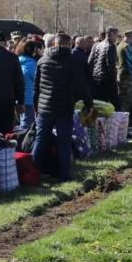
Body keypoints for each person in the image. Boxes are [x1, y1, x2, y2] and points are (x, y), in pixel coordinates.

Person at [33, 33, 93, 181]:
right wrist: (88, 102)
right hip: (64, 107)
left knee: (40, 140)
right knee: (64, 142)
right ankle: (64, 175)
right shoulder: (73, 61)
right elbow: (81, 86)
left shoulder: (42, 60)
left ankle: (32, 173)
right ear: (69, 44)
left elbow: (37, 88)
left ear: (54, 43)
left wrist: (36, 107)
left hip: (44, 107)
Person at [88, 27, 120, 108]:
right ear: (112, 34)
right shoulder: (111, 46)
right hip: (107, 80)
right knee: (112, 105)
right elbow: (111, 65)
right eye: (116, 35)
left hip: (95, 79)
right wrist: (114, 80)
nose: (117, 37)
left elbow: (90, 62)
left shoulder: (96, 45)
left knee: (97, 104)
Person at [15, 39, 38, 130]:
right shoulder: (32, 64)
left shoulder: (17, 61)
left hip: (18, 99)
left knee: (22, 123)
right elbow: (37, 80)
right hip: (29, 99)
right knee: (27, 127)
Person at [116, 30, 132, 112]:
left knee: (121, 96)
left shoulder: (119, 46)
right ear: (129, 37)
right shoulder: (127, 47)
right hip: (127, 76)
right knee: (127, 99)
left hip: (120, 74)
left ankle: (121, 116)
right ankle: (125, 117)